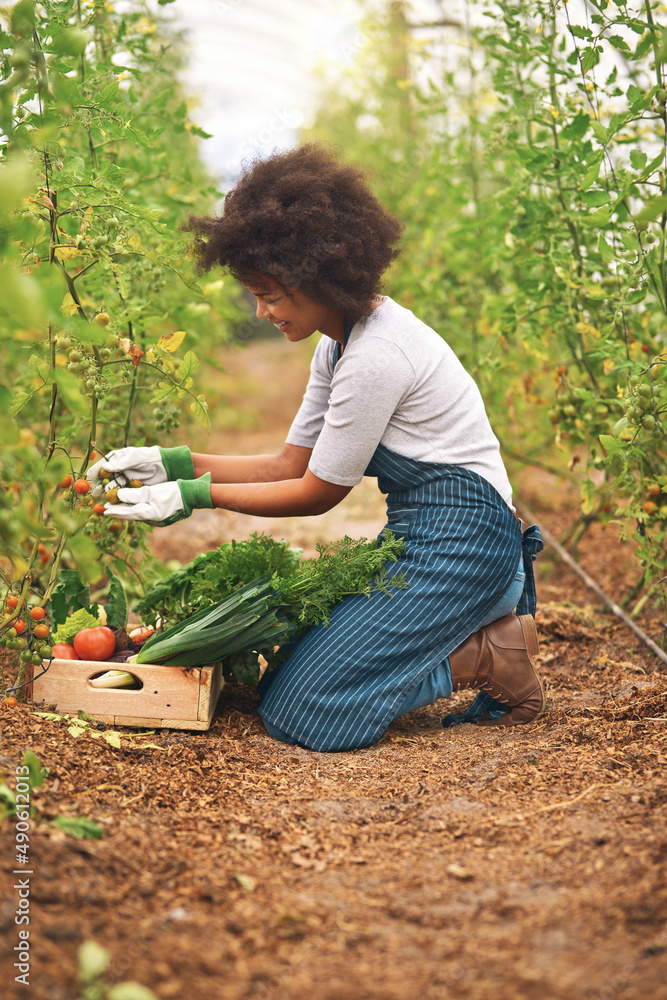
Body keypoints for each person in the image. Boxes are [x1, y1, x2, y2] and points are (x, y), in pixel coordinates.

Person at [87, 143, 546, 753]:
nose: (262, 310)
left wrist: (191, 498)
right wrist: (172, 462)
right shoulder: (338, 344)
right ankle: (477, 637)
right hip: (427, 535)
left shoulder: (379, 355)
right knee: (281, 678)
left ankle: (486, 654)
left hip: (467, 545)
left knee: (305, 713)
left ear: (321, 276)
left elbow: (316, 494)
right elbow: (289, 463)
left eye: (272, 294)